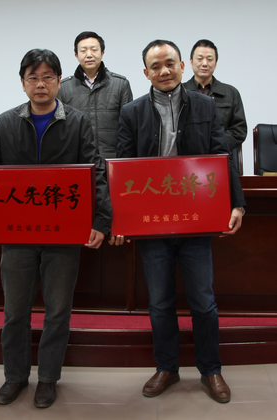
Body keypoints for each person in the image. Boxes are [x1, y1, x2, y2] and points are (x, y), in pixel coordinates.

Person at [0, 49, 111, 409]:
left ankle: (48, 378)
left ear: (59, 81)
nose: (40, 84)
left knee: (57, 311)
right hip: (17, 232)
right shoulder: (6, 121)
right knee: (15, 311)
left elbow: (95, 172)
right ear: (22, 83)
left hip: (64, 234)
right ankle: (15, 377)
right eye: (33, 77)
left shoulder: (77, 122)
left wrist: (100, 220)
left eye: (48, 77)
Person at [113, 39, 246, 404]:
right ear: (146, 73)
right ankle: (167, 367)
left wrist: (237, 203)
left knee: (203, 300)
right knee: (159, 302)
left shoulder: (205, 105)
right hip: (152, 224)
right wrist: (120, 219)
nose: (164, 71)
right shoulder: (132, 112)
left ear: (182, 66)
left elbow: (222, 155)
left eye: (170, 63)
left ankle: (211, 370)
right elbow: (123, 167)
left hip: (195, 220)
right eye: (155, 66)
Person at [58, 31, 133, 158]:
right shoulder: (63, 87)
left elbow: (128, 128)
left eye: (94, 50)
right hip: (78, 160)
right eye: (83, 51)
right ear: (76, 55)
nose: (89, 55)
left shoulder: (121, 84)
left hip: (112, 159)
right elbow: (61, 130)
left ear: (102, 53)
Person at [184, 39, 247, 174]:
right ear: (191, 62)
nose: (204, 63)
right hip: (187, 161)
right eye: (200, 58)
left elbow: (239, 130)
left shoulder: (230, 93)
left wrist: (215, 145)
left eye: (209, 59)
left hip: (221, 159)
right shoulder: (181, 92)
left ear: (216, 63)